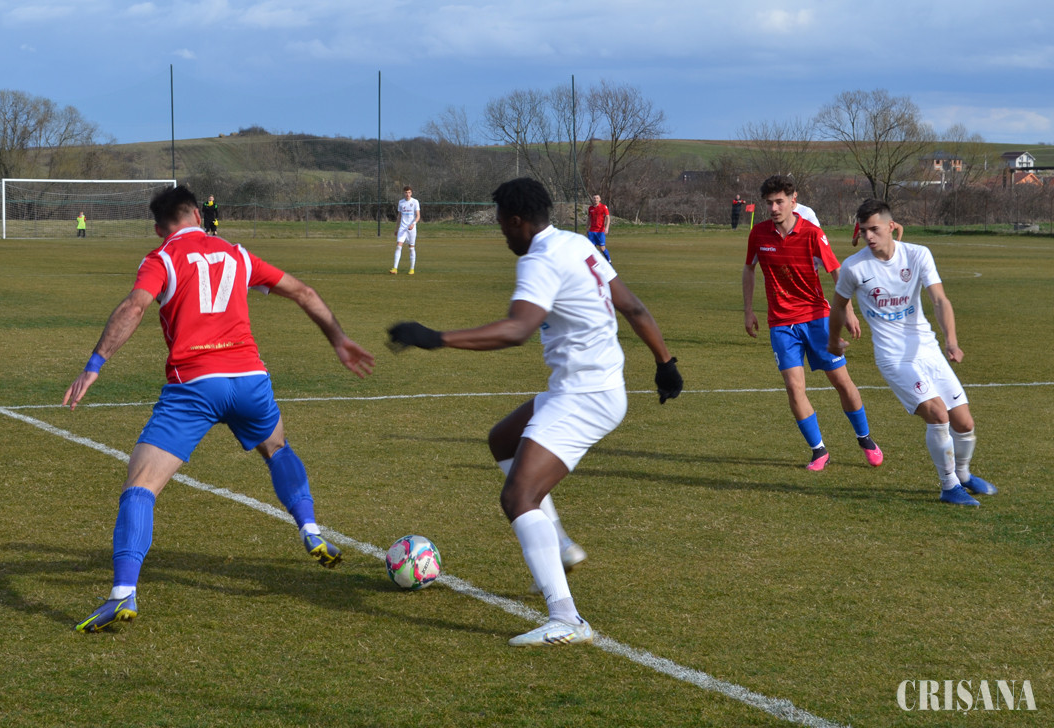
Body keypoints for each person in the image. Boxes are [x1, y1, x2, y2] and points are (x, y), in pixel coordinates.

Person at [65, 185, 375, 632]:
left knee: (141, 485)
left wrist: (94, 365)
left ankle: (123, 593)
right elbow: (304, 292)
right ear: (197, 214)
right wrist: (339, 340)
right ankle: (310, 530)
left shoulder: (161, 258)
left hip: (195, 385)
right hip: (250, 380)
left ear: (159, 228)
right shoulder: (237, 254)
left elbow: (134, 307)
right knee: (277, 449)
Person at [388, 177, 683, 647]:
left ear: (517, 221)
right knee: (503, 439)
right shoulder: (576, 243)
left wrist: (435, 338)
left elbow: (517, 330)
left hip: (584, 396)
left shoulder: (539, 259)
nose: (503, 235)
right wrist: (666, 364)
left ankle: (567, 619)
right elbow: (633, 306)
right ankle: (559, 546)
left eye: (503, 225)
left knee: (517, 498)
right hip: (595, 387)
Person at [829, 199, 997, 506]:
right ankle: (948, 486)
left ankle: (962, 475)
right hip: (893, 358)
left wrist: (951, 342)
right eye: (864, 231)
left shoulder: (918, 254)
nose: (869, 236)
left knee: (964, 423)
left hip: (928, 350)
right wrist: (833, 341)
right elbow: (838, 306)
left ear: (891, 226)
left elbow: (940, 300)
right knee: (937, 414)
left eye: (874, 229)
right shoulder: (854, 266)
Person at [742, 175, 882, 470]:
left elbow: (836, 271)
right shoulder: (759, 234)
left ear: (793, 200)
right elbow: (749, 269)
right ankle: (819, 451)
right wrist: (748, 310)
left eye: (779, 202)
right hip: (781, 324)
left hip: (817, 319)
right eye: (769, 203)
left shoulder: (812, 233)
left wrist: (849, 312)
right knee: (794, 388)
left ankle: (865, 438)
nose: (774, 208)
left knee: (841, 382)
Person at [390, 186, 420, 275]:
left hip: (411, 229)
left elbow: (418, 216)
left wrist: (413, 224)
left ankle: (412, 269)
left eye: (409, 192)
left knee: (411, 248)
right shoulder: (401, 202)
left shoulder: (415, 202)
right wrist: (396, 228)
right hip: (402, 228)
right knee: (398, 246)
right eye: (406, 192)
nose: (407, 194)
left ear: (411, 193)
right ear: (403, 193)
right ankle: (395, 268)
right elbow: (399, 216)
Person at [586, 194, 611, 262]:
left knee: (602, 248)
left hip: (600, 230)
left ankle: (609, 261)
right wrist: (587, 227)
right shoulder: (590, 208)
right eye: (594, 198)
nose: (595, 199)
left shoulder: (603, 207)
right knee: (592, 248)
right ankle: (594, 262)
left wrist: (607, 228)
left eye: (597, 198)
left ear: (600, 199)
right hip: (592, 231)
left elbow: (608, 217)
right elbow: (589, 218)